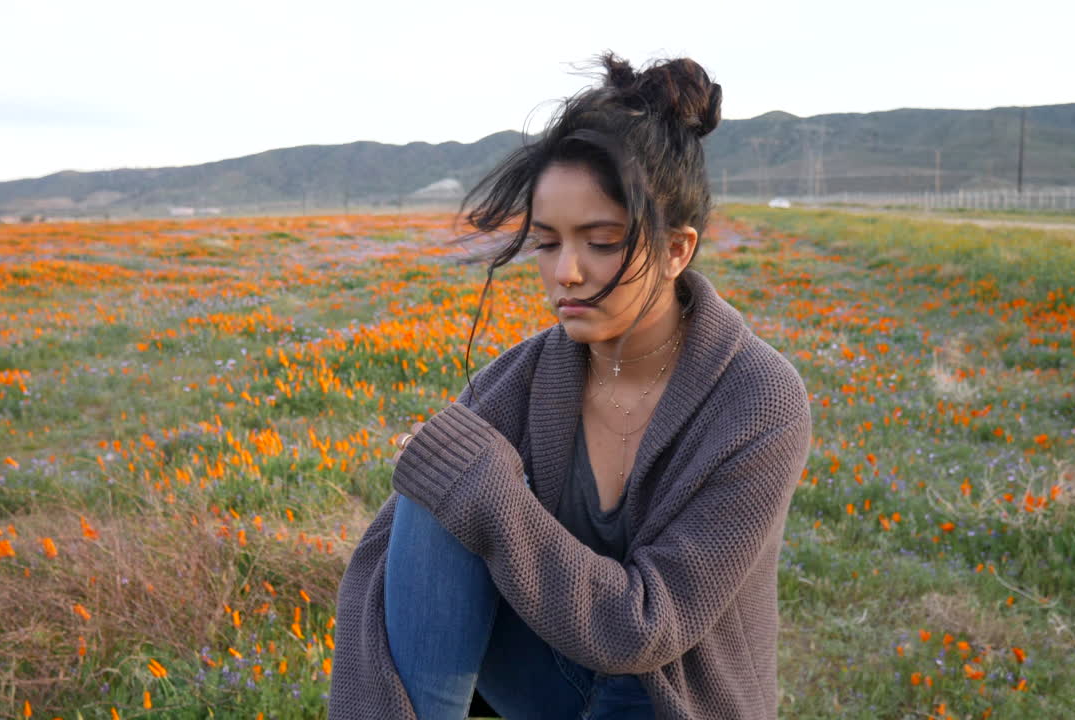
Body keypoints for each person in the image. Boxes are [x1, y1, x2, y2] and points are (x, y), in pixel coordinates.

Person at [328, 51, 812, 720]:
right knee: (443, 488)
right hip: (551, 681)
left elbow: (646, 628)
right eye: (547, 243)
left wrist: (490, 496)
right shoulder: (522, 380)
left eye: (602, 241)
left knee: (466, 479)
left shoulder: (757, 401)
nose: (567, 273)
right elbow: (382, 562)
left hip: (669, 699)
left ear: (677, 250)